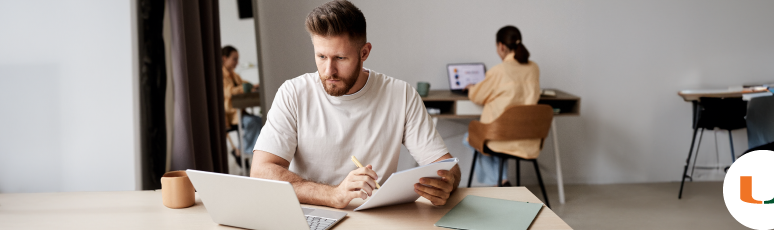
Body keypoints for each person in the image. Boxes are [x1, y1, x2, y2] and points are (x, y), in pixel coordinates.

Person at [250, 0, 461, 209]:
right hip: (309, 214)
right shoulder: (293, 93)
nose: (328, 71)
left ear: (364, 53)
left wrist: (447, 183)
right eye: (321, 56)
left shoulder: (401, 95)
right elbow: (261, 171)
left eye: (340, 58)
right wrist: (333, 195)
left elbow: (446, 167)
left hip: (376, 217)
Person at [464, 26, 540, 186]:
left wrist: (471, 87)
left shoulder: (499, 70)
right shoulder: (534, 68)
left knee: (469, 138)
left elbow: (477, 96)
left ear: (501, 46)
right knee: (499, 137)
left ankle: (501, 182)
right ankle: (501, 182)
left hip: (501, 138)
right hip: (527, 138)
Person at [221, 46, 261, 164]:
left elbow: (244, 84)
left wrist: (253, 85)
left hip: (241, 113)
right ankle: (241, 152)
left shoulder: (234, 75)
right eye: (234, 59)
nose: (237, 63)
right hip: (230, 116)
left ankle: (248, 152)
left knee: (260, 120)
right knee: (253, 122)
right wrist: (245, 88)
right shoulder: (221, 76)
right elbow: (229, 91)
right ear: (224, 58)